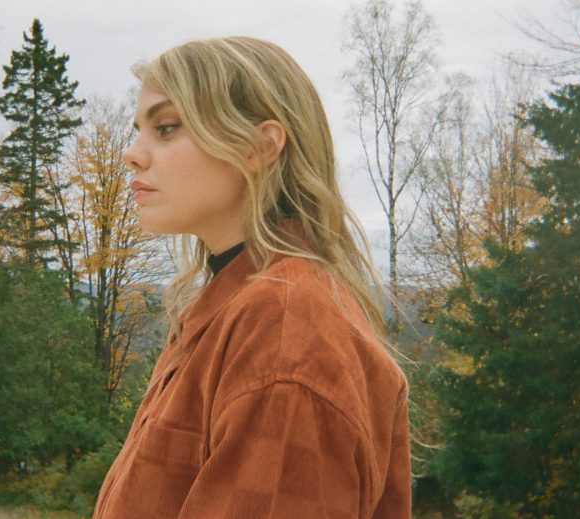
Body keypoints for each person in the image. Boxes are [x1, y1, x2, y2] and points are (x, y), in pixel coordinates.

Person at [93, 37, 410, 518]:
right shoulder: (234, 310)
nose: (131, 154)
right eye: (139, 131)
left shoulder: (284, 329)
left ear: (260, 147)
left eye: (167, 127)